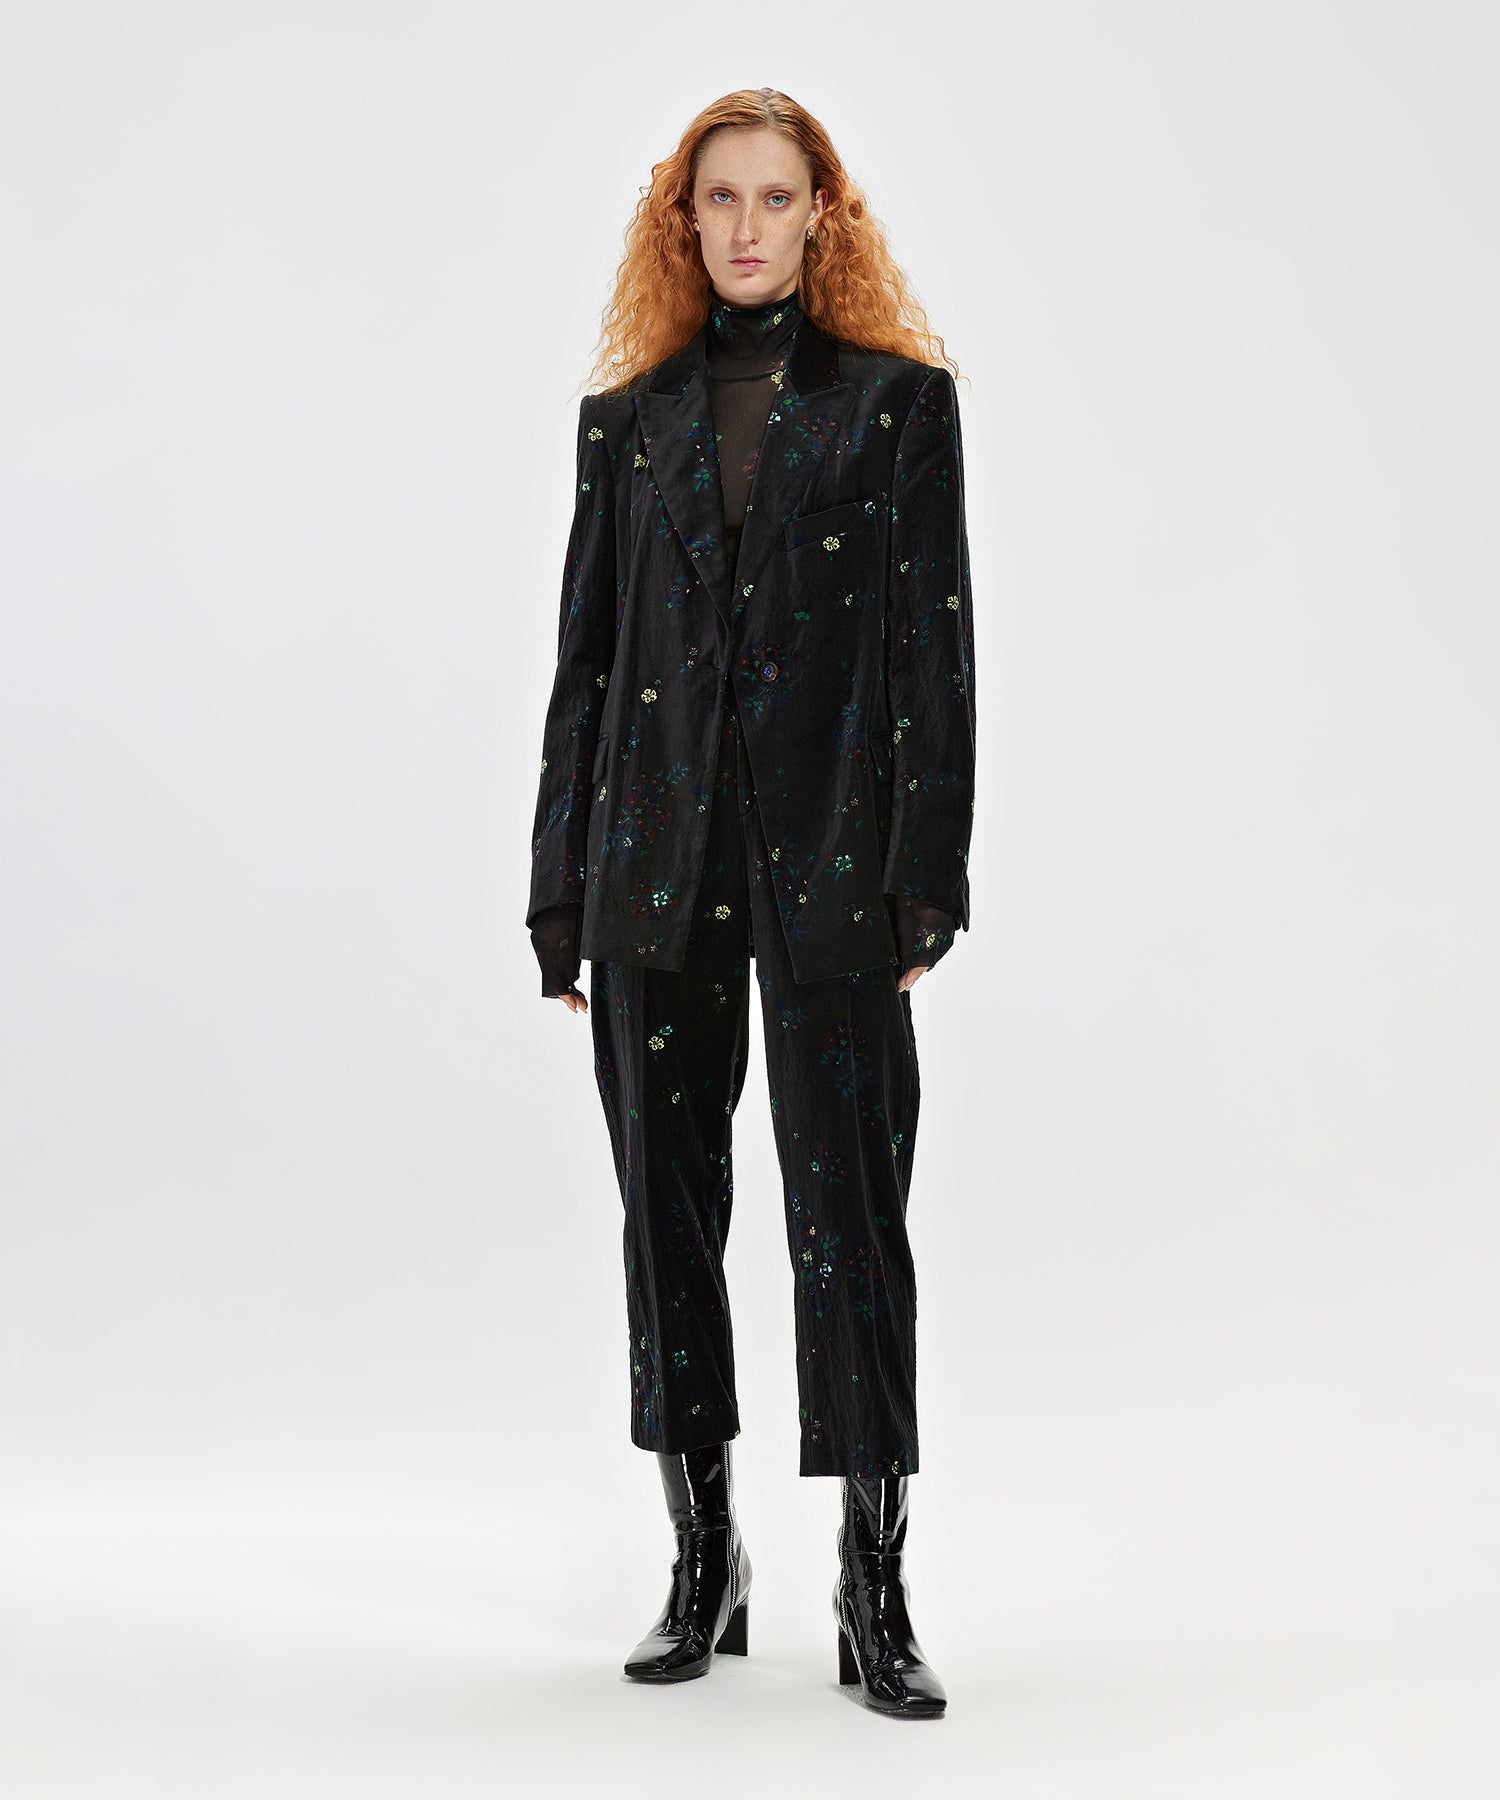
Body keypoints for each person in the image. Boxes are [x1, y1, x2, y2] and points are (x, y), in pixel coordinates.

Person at [525, 87, 975, 1719]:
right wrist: (557, 891)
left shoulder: (897, 409)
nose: (746, 226)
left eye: (776, 197)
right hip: (652, 869)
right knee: (668, 1215)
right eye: (719, 198)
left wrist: (928, 877)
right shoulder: (625, 423)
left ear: (821, 214)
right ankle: (702, 1558)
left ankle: (874, 1581)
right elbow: (586, 669)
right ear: (684, 219)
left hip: (836, 863)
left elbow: (934, 655)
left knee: (850, 1218)